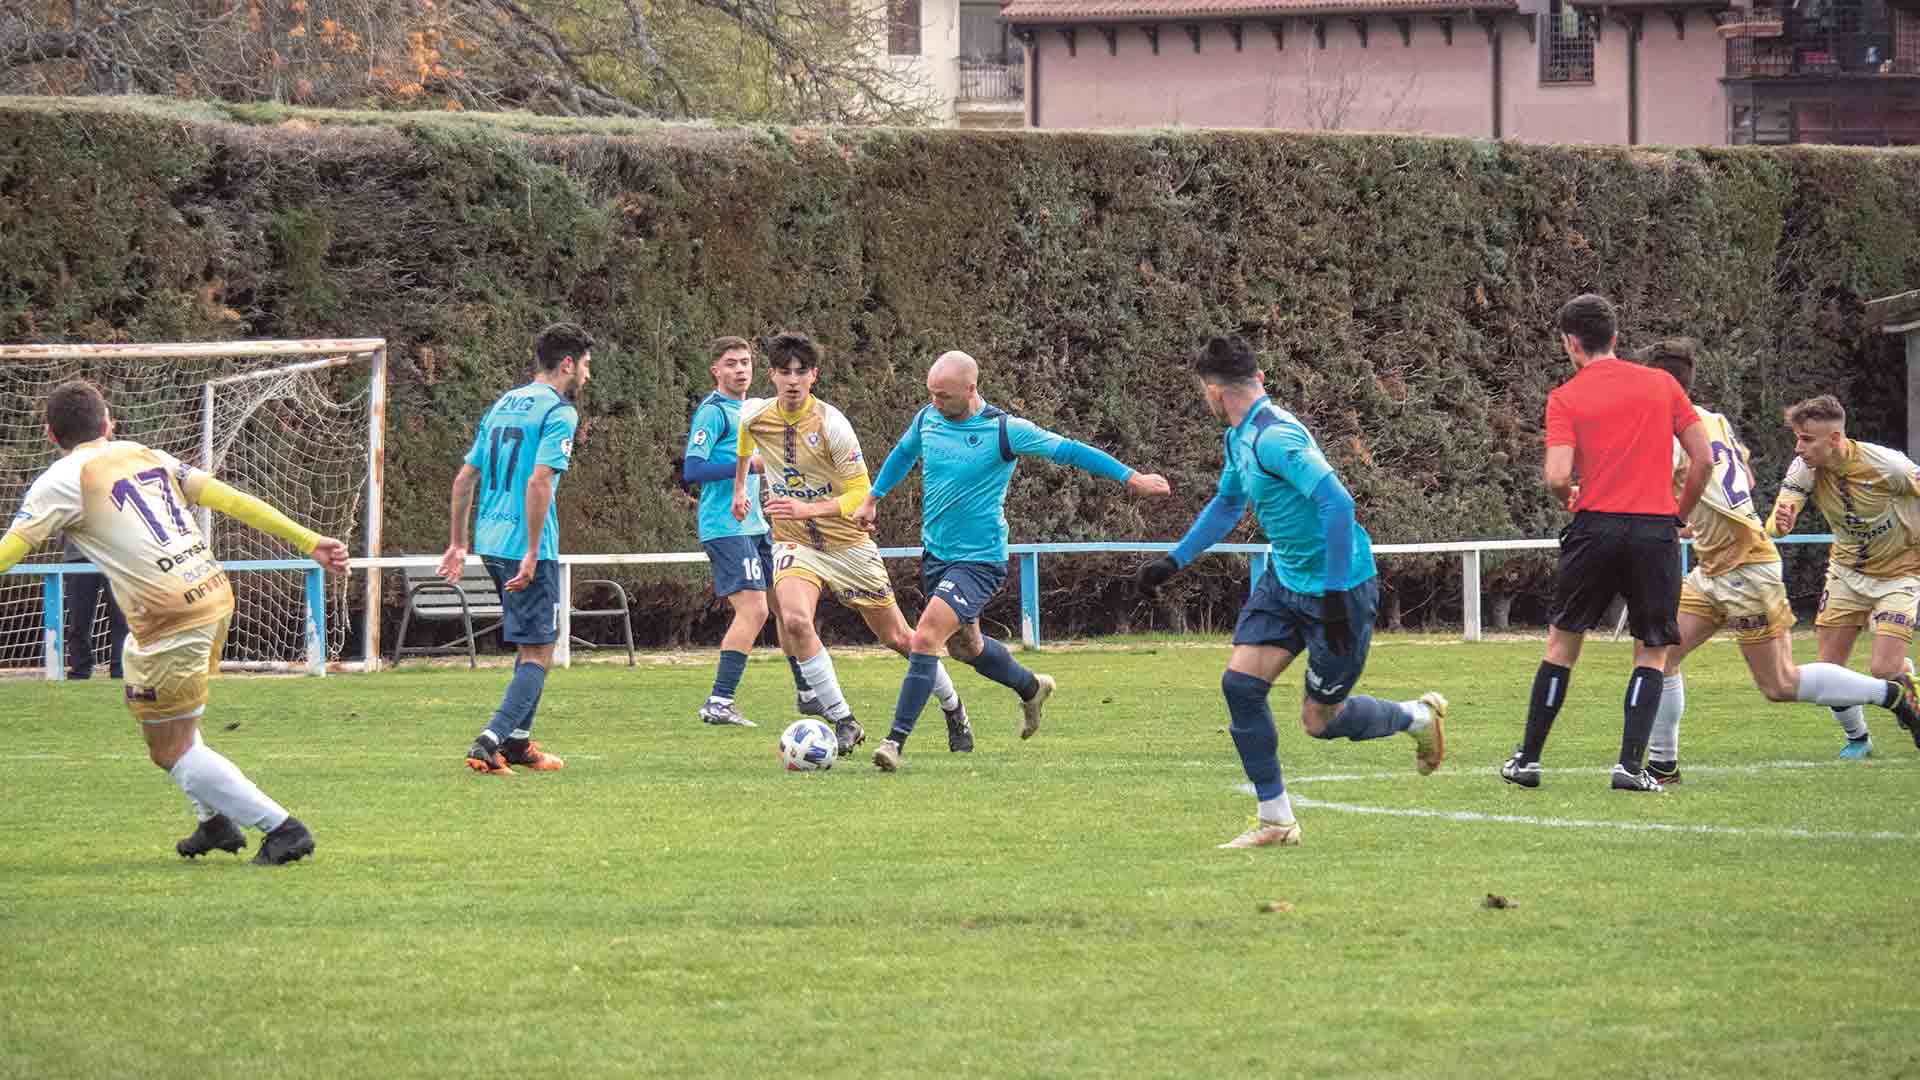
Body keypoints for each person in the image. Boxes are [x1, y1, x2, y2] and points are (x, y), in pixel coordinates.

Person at [0, 380, 347, 864]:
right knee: (175, 727)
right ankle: (214, 823)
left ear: (50, 435)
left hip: (169, 616)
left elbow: (12, 550)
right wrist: (307, 538)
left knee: (169, 749)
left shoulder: (60, 480)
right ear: (108, 424)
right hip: (211, 592)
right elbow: (229, 498)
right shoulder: (145, 453)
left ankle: (283, 828)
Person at [1131, 336, 1448, 849]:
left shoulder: (1275, 438)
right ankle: (1276, 821)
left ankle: (1416, 717)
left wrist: (1335, 593)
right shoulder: (1239, 439)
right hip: (1285, 583)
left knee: (1320, 721)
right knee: (1240, 687)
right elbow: (1228, 505)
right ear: (1255, 380)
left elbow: (1338, 506)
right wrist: (1173, 561)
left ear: (1213, 392)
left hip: (1339, 589)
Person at [852, 350, 1171, 771]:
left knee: (925, 637)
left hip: (980, 560)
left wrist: (1132, 478)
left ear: (971, 390)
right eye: (930, 394)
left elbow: (1071, 451)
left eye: (943, 396)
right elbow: (902, 454)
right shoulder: (927, 419)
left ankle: (894, 742)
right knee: (967, 648)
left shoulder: (1005, 431)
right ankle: (1031, 687)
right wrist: (873, 497)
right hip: (937, 556)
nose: (935, 403)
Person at [1631, 342, 1920, 781]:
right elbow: (1741, 478)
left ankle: (1891, 696)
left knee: (1780, 684)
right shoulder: (1713, 421)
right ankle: (1662, 765)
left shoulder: (1671, 434)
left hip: (1748, 569)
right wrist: (1702, 522)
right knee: (1659, 654)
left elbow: (1679, 486)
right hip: (1716, 566)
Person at [1501, 294, 1713, 793]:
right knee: (1652, 650)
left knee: (1562, 644)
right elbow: (1703, 461)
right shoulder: (1663, 385)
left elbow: (1556, 474)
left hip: (1594, 526)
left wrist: (1569, 497)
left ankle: (1528, 761)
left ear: (1570, 344)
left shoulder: (1566, 396)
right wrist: (1676, 515)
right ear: (1616, 338)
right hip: (1654, 530)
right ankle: (1630, 767)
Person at [729, 331, 968, 754]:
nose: (792, 380)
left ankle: (953, 707)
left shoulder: (833, 425)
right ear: (772, 375)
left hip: (848, 545)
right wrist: (741, 489)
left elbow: (862, 495)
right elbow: (745, 445)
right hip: (794, 544)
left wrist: (805, 508)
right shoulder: (753, 414)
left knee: (900, 638)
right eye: (784, 372)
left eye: (800, 373)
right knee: (796, 621)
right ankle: (844, 720)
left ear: (813, 376)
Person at [440, 322, 593, 776]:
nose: (587, 375)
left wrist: (457, 541)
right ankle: (490, 740)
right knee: (540, 650)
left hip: (490, 540)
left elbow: (465, 477)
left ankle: (520, 745)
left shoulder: (504, 404)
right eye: (585, 365)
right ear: (568, 363)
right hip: (526, 546)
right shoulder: (559, 412)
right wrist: (531, 551)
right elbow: (539, 480)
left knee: (532, 646)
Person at [1765, 393, 1920, 757]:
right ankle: (1859, 739)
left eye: (1807, 439)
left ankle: (1905, 686)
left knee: (1883, 667)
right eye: (1797, 438)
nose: (1799, 448)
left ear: (1834, 439)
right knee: (1829, 669)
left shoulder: (1889, 466)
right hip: (1846, 573)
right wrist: (1780, 524)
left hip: (1899, 572)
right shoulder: (1803, 468)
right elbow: (1777, 522)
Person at [681, 335, 813, 727]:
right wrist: (751, 467)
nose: (740, 370)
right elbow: (692, 470)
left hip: (757, 527)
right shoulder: (714, 412)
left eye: (746, 363)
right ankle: (719, 701)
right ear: (716, 370)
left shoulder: (753, 411)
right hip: (725, 527)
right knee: (754, 610)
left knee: (787, 608)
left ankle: (807, 692)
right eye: (732, 363)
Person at [62, 531, 127, 679]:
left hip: (117, 555)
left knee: (121, 618)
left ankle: (121, 671)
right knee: (78, 620)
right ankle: (79, 671)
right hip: (78, 555)